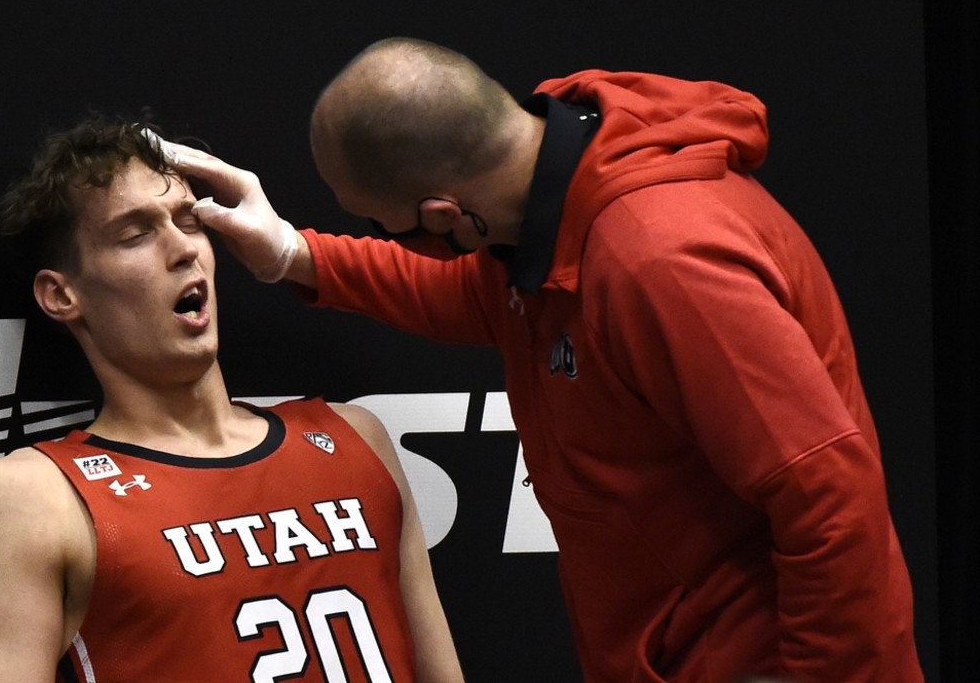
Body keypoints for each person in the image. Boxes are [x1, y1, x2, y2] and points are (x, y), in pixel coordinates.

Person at [155, 37, 924, 682]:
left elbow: (830, 495)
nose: (398, 242)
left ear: (446, 216)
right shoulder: (546, 203)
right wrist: (291, 253)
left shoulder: (665, 263)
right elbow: (467, 293)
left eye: (393, 228)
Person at [0, 115, 464, 682]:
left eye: (190, 221)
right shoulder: (31, 499)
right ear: (62, 295)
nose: (182, 249)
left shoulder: (355, 436)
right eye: (136, 234)